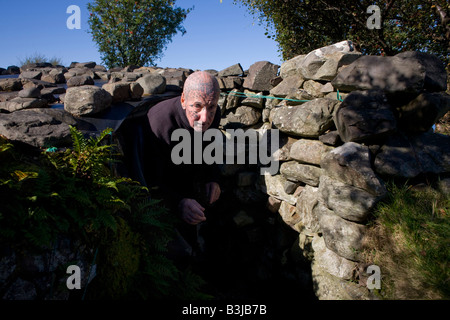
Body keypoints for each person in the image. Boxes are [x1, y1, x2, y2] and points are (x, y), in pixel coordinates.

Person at [143, 71, 222, 226]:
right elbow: (150, 179)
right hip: (167, 189)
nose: (205, 118)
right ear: (183, 100)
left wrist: (213, 178)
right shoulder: (159, 124)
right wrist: (178, 203)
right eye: (197, 106)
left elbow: (209, 149)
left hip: (192, 179)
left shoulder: (215, 115)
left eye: (211, 106)